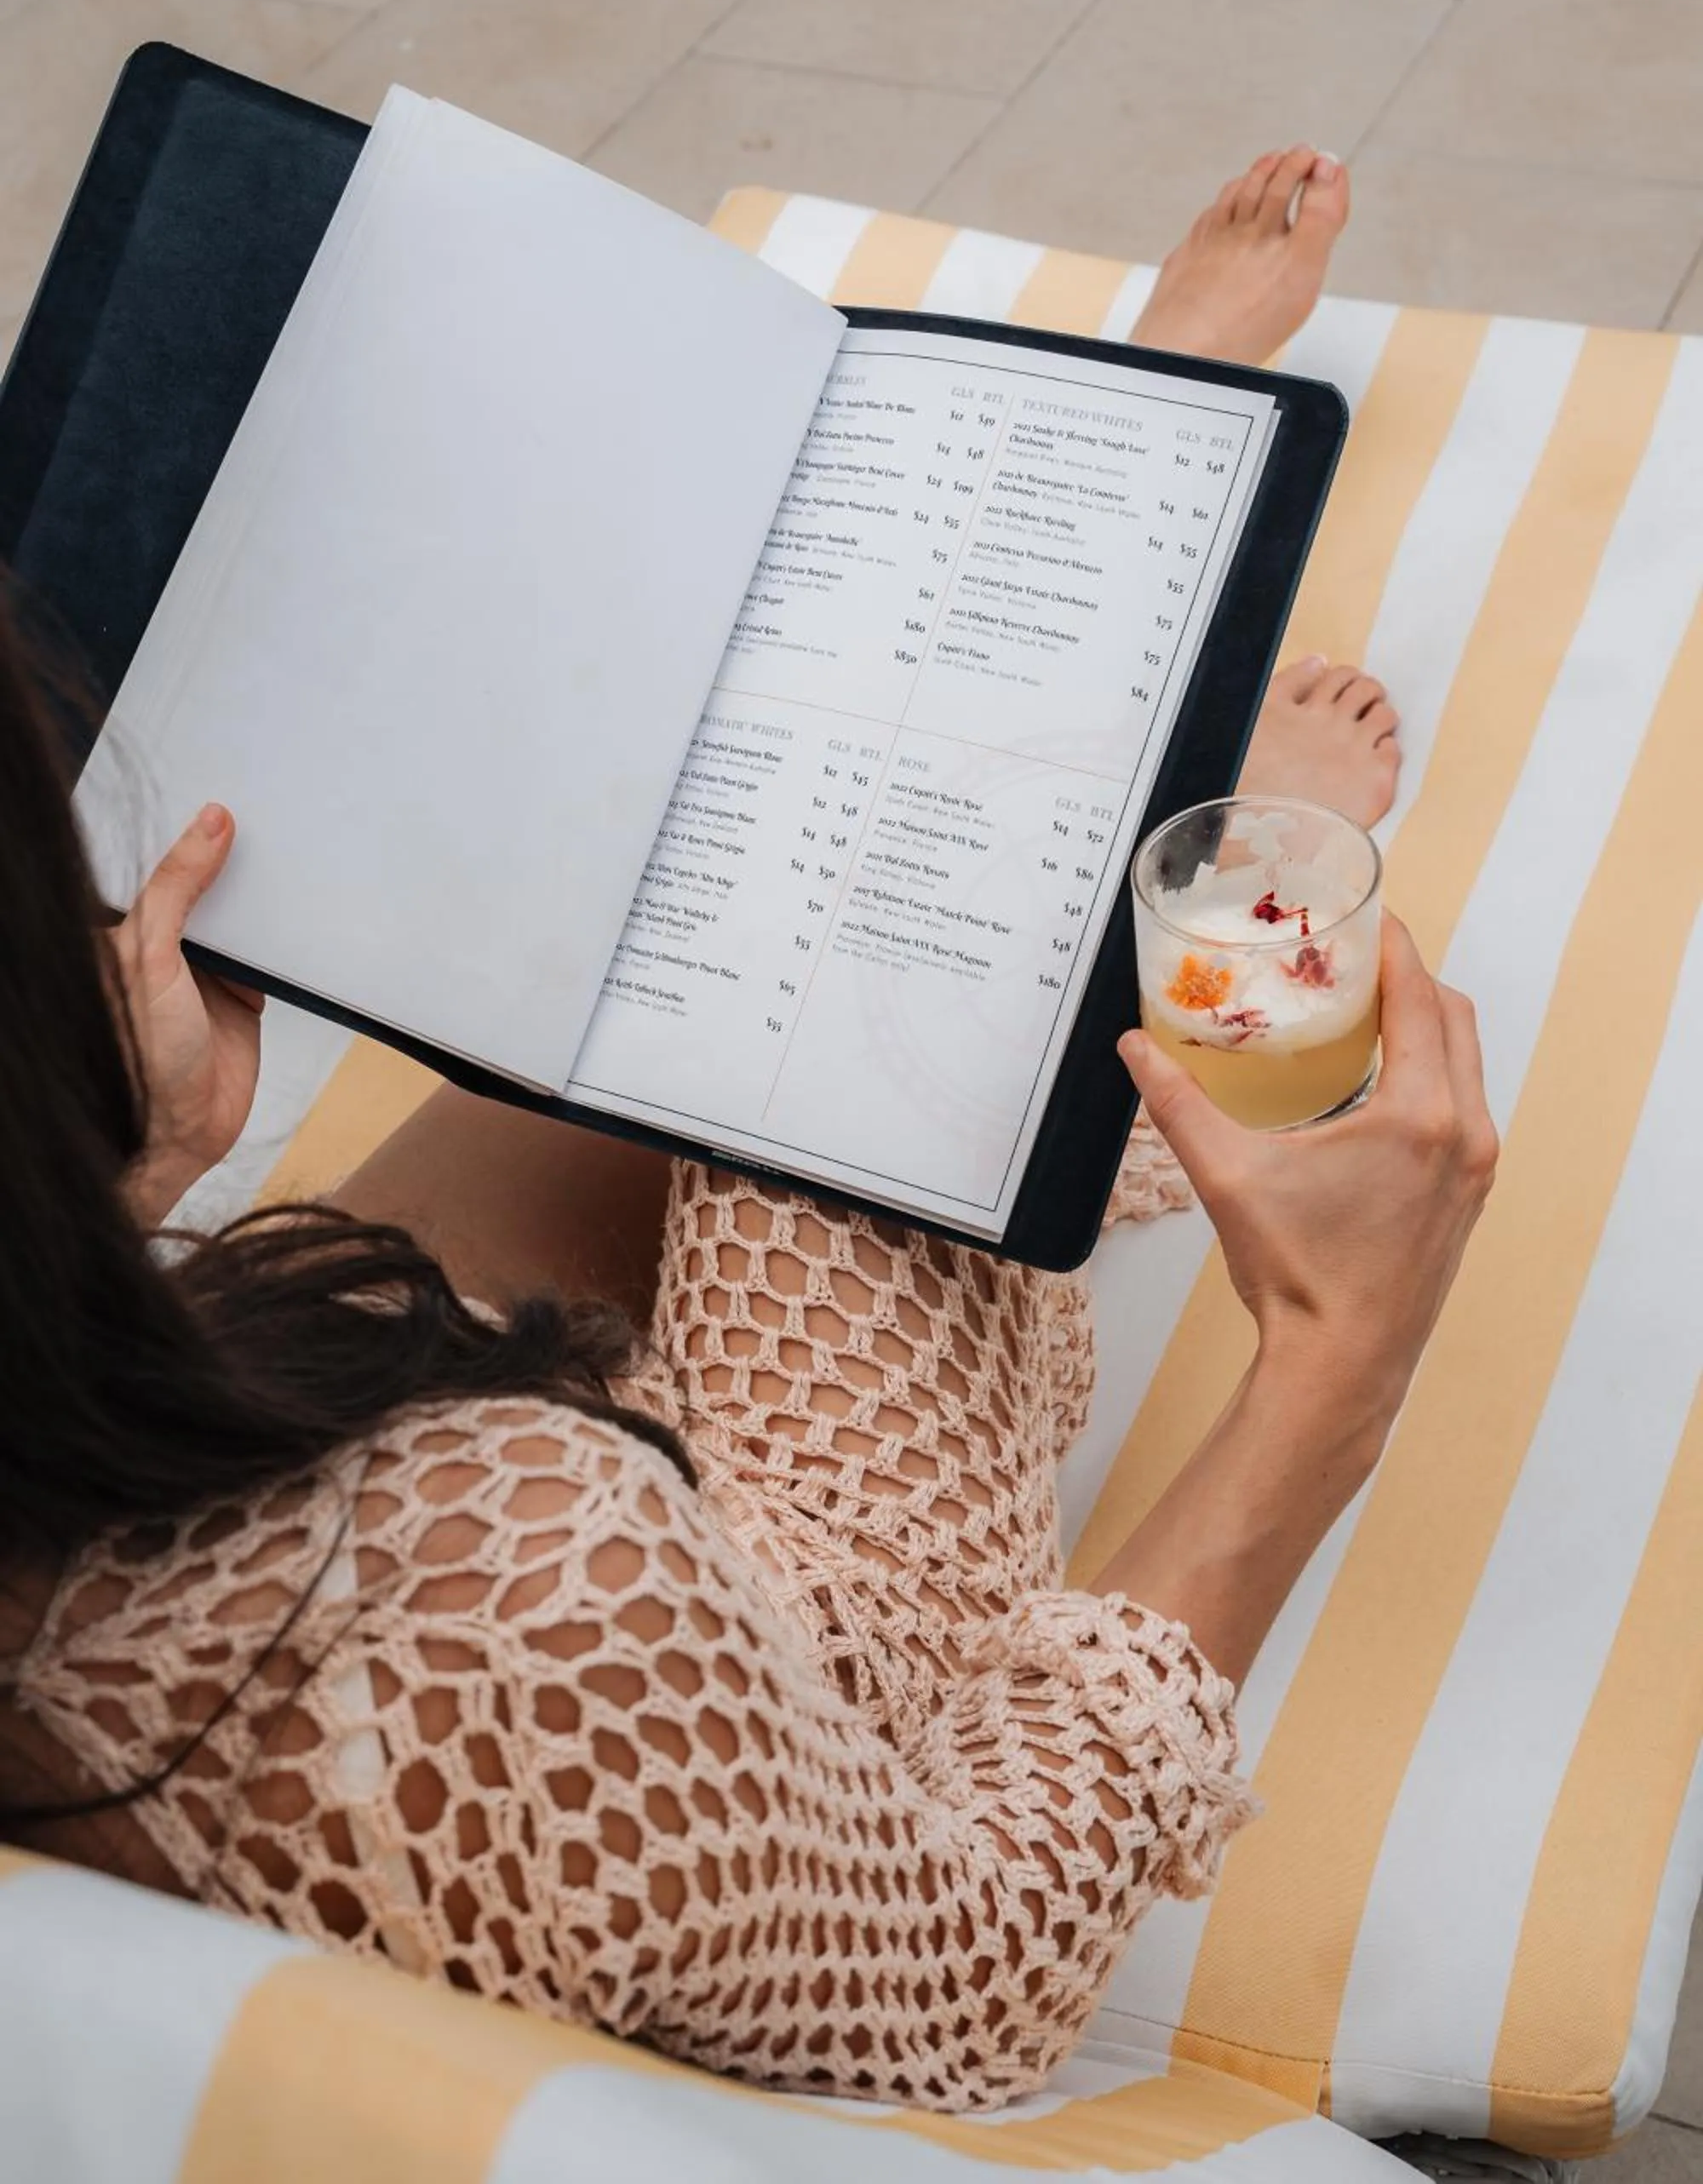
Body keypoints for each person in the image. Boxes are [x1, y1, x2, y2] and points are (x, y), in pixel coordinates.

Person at [0, 152, 1495, 2114]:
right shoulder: (533, 1573)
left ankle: (1103, 561)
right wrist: (1336, 1367)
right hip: (732, 1673)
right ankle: (1126, 639)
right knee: (827, 1041)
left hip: (145, 1477)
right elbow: (962, 1975)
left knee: (663, 993)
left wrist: (121, 1175)